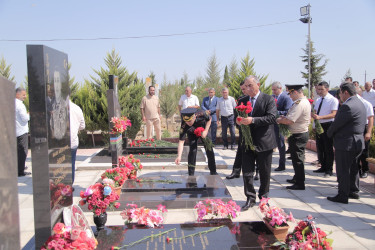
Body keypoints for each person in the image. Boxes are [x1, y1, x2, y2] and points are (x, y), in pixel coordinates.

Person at [237, 76, 277, 210]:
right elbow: (237, 118)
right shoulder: (242, 101)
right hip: (247, 142)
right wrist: (239, 122)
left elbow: (271, 117)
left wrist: (252, 120)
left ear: (258, 84)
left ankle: (264, 198)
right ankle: (250, 197)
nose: (248, 89)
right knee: (247, 172)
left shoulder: (268, 99)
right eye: (246, 86)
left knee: (265, 172)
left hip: (264, 141)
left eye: (250, 85)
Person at [327, 82, 366, 203]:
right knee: (353, 167)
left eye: (340, 93)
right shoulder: (360, 103)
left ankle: (342, 195)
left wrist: (329, 133)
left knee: (343, 169)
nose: (339, 95)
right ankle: (353, 191)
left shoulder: (347, 105)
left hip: (346, 143)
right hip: (358, 141)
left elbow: (337, 124)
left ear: (346, 92)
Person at [277, 84, 311, 190]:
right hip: (296, 134)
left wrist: (279, 120)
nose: (289, 96)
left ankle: (300, 183)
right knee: (295, 158)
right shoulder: (298, 102)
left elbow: (290, 121)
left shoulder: (300, 104)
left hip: (299, 134)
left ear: (295, 92)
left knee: (298, 160)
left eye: (290, 93)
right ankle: (297, 177)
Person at [175, 108, 217, 176]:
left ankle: (213, 171)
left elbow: (209, 119)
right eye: (187, 122)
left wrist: (206, 131)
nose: (188, 123)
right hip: (191, 131)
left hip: (203, 128)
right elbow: (181, 141)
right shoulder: (184, 124)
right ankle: (191, 173)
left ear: (194, 117)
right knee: (192, 150)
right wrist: (179, 156)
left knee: (209, 148)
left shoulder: (202, 113)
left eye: (190, 121)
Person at [312, 81, 339, 177]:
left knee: (328, 148)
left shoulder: (333, 100)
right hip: (319, 124)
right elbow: (316, 113)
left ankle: (329, 169)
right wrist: (314, 124)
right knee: (320, 147)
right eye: (318, 89)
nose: (319, 91)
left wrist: (321, 117)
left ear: (327, 89)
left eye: (321, 89)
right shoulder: (319, 100)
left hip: (328, 125)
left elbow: (334, 114)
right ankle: (322, 165)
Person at [226, 81, 248, 179]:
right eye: (242, 89)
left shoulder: (256, 99)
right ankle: (236, 171)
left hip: (254, 129)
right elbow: (237, 113)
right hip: (243, 129)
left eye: (244, 89)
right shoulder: (241, 99)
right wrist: (239, 124)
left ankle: (258, 172)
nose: (243, 91)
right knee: (240, 150)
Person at [271, 81, 293, 171]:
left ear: (280, 89)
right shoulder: (272, 97)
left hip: (281, 124)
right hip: (272, 124)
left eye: (275, 90)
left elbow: (288, 111)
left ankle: (282, 164)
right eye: (272, 90)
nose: (273, 92)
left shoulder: (286, 98)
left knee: (281, 144)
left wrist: (276, 113)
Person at [355, 86, 374, 179]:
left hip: (364, 128)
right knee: (355, 151)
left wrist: (369, 132)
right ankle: (356, 170)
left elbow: (370, 119)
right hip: (355, 129)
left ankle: (365, 170)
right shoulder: (352, 103)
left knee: (364, 151)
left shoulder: (366, 104)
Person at [15, 87, 31, 177]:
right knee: (23, 151)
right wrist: (29, 115)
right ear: (18, 94)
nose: (25, 96)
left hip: (16, 130)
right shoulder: (20, 105)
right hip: (21, 131)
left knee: (18, 151)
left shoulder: (12, 103)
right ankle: (20, 171)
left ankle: (19, 167)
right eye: (23, 95)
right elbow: (25, 118)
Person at [69, 100, 85, 184]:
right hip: (72, 140)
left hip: (58, 143)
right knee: (71, 164)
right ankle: (70, 185)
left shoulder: (54, 107)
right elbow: (82, 126)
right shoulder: (76, 108)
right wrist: (75, 128)